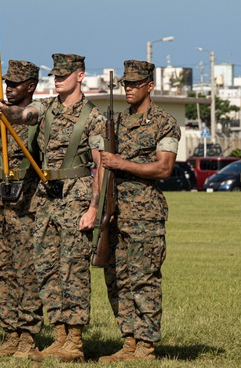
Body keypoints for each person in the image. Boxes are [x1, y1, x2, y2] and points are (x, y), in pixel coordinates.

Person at [0, 53, 106, 363]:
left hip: (76, 194)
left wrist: (94, 208)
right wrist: (8, 111)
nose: (57, 79)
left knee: (74, 270)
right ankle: (58, 336)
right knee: (47, 269)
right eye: (55, 75)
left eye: (64, 75)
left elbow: (101, 166)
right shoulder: (46, 108)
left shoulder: (93, 116)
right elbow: (26, 115)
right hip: (46, 197)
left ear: (80, 76)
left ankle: (75, 340)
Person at [98, 59, 180, 363]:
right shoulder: (115, 122)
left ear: (150, 85)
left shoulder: (164, 122)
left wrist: (122, 164)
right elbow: (101, 165)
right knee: (116, 278)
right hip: (115, 211)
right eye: (125, 83)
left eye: (134, 83)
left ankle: (145, 345)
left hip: (145, 213)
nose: (128, 88)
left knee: (144, 278)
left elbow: (164, 167)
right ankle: (128, 341)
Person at [0, 60, 43, 359]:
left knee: (26, 272)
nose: (9, 88)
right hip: (0, 202)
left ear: (30, 86)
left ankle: (28, 336)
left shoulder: (37, 113)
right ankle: (10, 333)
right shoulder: (0, 115)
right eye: (7, 83)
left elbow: (28, 117)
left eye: (15, 84)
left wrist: (6, 113)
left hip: (27, 204)